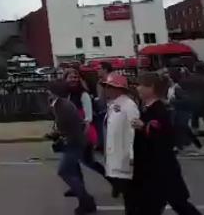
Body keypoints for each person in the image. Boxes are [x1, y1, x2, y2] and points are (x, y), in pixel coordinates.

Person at [132, 72, 203, 215]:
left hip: (161, 169)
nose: (137, 88)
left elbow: (164, 137)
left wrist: (144, 126)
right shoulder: (148, 108)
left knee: (178, 204)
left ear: (150, 87)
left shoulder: (159, 109)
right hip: (153, 169)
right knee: (152, 206)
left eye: (140, 85)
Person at [48, 80, 96, 215]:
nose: (47, 92)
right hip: (73, 142)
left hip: (74, 143)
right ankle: (85, 199)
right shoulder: (59, 104)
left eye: (49, 90)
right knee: (70, 171)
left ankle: (86, 200)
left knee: (64, 171)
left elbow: (67, 127)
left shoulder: (63, 106)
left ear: (54, 92)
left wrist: (55, 134)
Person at [102, 73, 140, 215]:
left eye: (108, 86)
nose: (106, 89)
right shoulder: (114, 104)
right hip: (116, 155)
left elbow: (133, 130)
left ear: (118, 88)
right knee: (126, 193)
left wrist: (132, 154)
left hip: (125, 156)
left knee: (130, 194)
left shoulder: (128, 105)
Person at [168, 66, 204, 156]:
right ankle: (179, 147)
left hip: (183, 111)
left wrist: (171, 102)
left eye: (168, 76)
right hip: (178, 110)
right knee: (179, 128)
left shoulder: (178, 87)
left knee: (183, 128)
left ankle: (197, 147)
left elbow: (186, 99)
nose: (167, 77)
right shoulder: (173, 87)